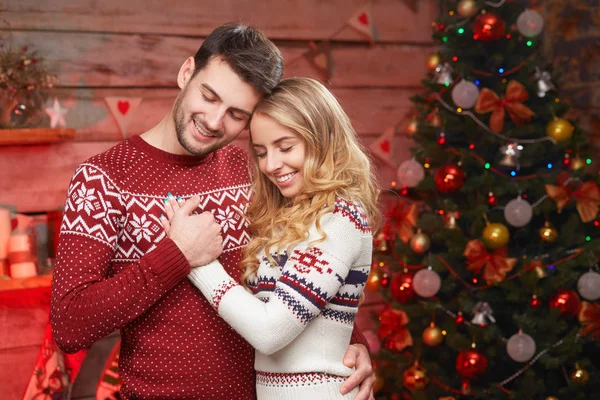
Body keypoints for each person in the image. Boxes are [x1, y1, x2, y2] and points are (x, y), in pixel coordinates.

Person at [50, 24, 375, 400]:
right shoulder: (103, 179)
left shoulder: (257, 171)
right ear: (186, 73)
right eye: (208, 96)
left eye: (237, 114)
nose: (215, 121)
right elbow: (70, 324)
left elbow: (310, 269)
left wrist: (351, 346)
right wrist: (177, 256)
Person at [162, 77, 381, 399]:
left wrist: (195, 261)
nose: (271, 165)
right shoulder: (289, 218)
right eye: (261, 152)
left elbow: (269, 331)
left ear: (322, 139)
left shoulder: (340, 218)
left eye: (285, 147)